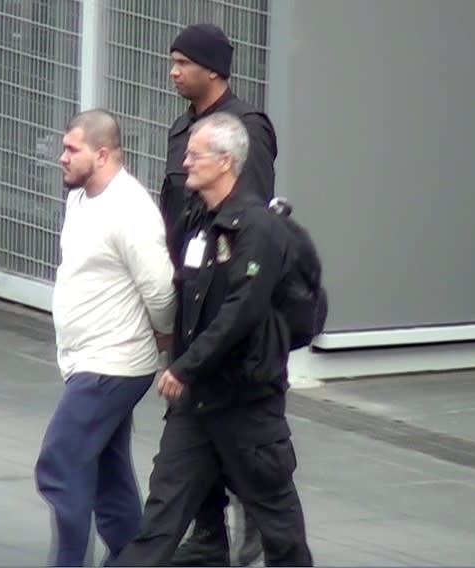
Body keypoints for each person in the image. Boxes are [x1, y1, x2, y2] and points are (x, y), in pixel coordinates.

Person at [111, 112, 313, 567]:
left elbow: (241, 311)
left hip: (247, 407)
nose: (185, 162)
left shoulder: (259, 230)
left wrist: (184, 366)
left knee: (281, 533)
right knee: (159, 521)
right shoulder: (200, 220)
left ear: (225, 162)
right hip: (196, 407)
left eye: (195, 155)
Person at [34, 109, 176, 567]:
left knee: (60, 463)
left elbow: (159, 288)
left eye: (72, 149)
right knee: (106, 469)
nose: (62, 157)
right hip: (87, 359)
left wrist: (162, 334)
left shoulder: (130, 210)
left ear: (102, 154)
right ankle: (132, 557)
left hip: (112, 366)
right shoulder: (81, 198)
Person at [162, 23, 279, 566]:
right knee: (189, 415)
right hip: (188, 290)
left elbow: (247, 218)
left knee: (233, 416)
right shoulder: (182, 129)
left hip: (226, 292)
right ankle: (207, 529)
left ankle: (258, 517)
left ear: (213, 69)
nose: (173, 71)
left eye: (183, 62)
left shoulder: (244, 130)